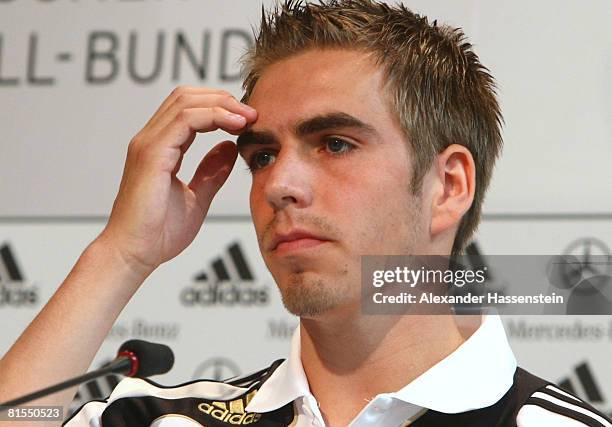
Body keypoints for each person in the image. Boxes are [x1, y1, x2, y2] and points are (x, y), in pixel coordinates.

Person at [1, 1, 610, 426]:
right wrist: (121, 255)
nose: (279, 185)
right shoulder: (160, 418)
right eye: (262, 155)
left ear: (448, 186)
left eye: (335, 144)